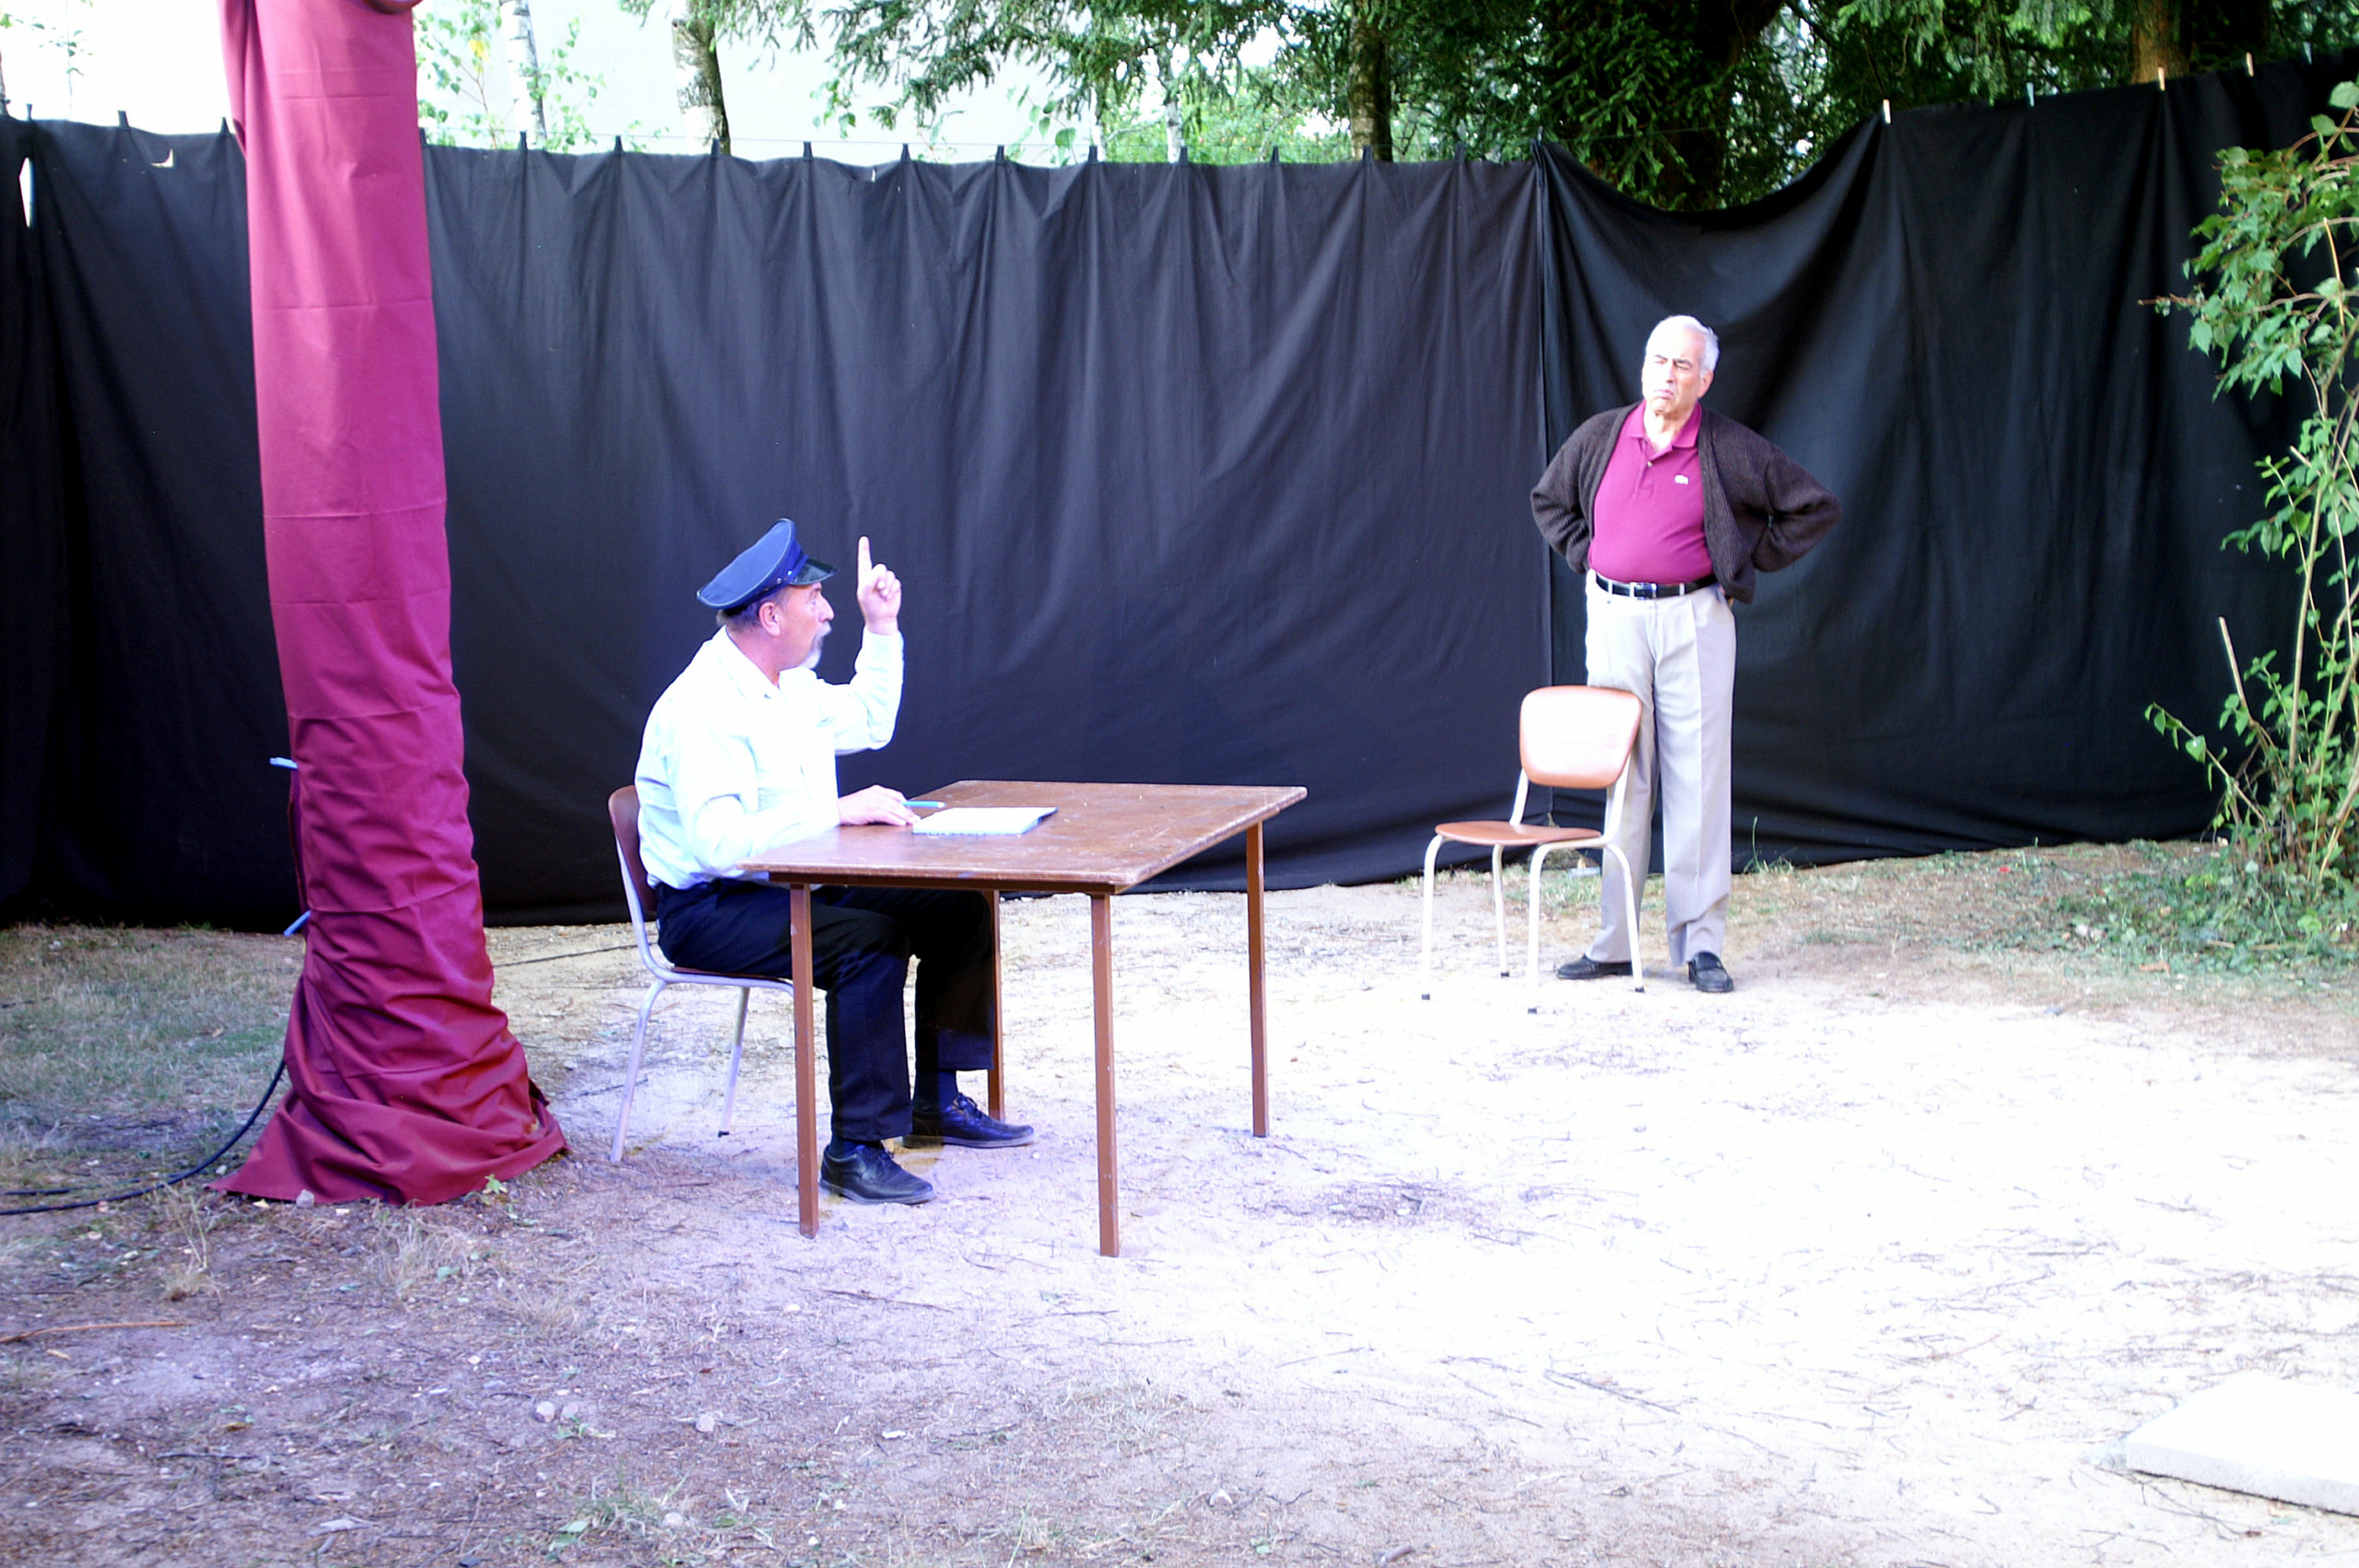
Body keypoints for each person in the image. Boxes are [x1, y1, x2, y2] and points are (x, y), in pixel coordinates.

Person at [633, 519, 1032, 1206]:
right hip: (712, 909)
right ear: (770, 615)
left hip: (795, 878)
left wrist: (882, 626)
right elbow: (719, 846)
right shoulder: (703, 707)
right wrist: (835, 811)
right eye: (814, 598)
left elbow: (871, 720)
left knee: (956, 908)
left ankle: (937, 1101)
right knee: (867, 943)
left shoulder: (789, 684)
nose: (827, 612)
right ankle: (855, 1151)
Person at [1532, 316, 1840, 993]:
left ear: (1705, 380)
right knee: (1623, 778)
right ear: (1643, 366)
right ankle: (1614, 944)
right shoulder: (1603, 436)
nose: (1666, 375)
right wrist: (1592, 558)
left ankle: (1701, 946)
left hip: (1693, 618)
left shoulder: (1725, 446)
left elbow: (1813, 507)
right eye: (1658, 360)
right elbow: (1549, 501)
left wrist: (1738, 562)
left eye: (1682, 365)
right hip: (1614, 617)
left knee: (1698, 778)